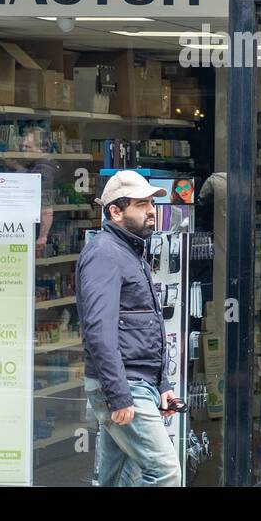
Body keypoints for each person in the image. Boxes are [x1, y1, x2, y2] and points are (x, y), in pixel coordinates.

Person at [77, 170, 182, 486]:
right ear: (115, 211)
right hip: (125, 386)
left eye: (151, 202)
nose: (152, 211)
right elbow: (99, 331)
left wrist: (161, 384)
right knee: (164, 472)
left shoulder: (129, 251)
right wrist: (119, 395)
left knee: (119, 479)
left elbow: (144, 326)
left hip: (137, 383)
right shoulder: (105, 254)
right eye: (142, 204)